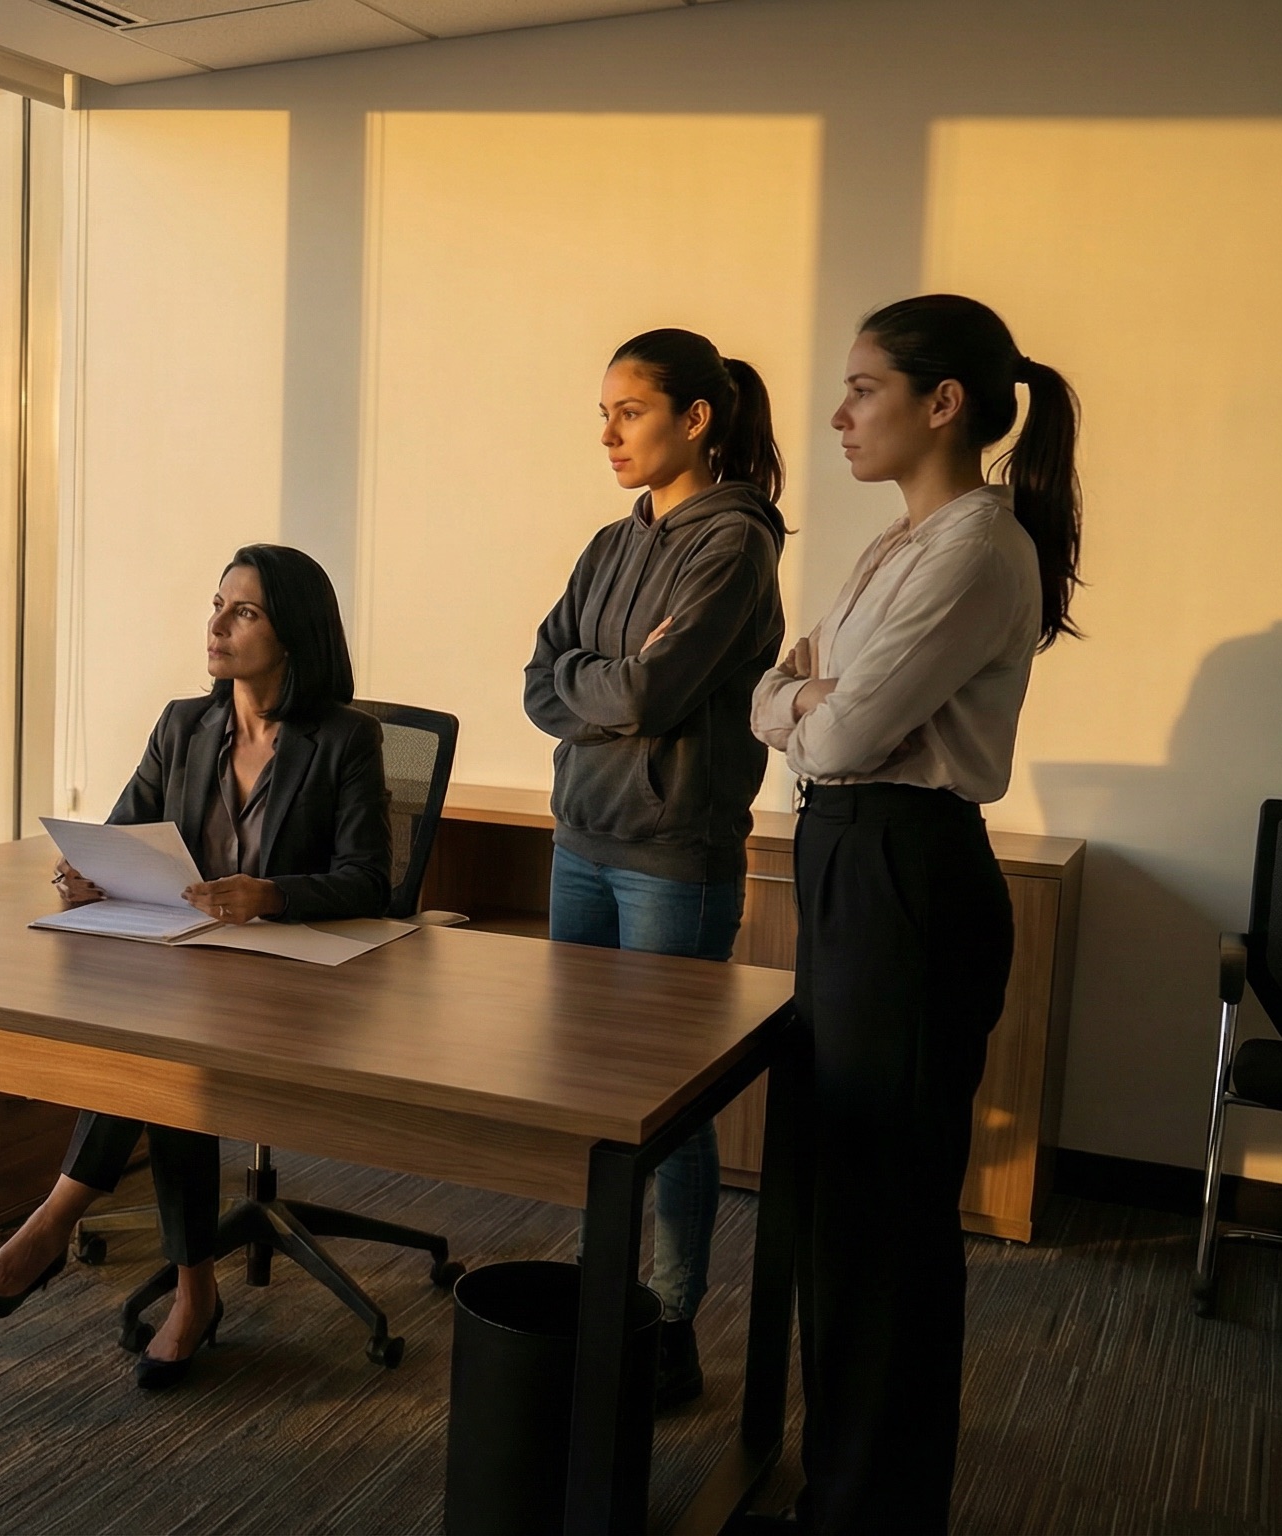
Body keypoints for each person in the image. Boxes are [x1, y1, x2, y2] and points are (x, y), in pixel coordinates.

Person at [751, 294, 1081, 1532]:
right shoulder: (901, 541)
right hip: (853, 856)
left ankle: (871, 1508)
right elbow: (790, 687)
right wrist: (797, 696)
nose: (837, 414)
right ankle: (839, 1487)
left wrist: (795, 698)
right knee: (849, 1203)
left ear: (942, 404)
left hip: (906, 871)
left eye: (862, 387)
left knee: (884, 1220)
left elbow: (828, 722)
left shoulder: (972, 549)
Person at [0, 544, 391, 1390]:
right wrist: (87, 875)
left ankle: (57, 1222)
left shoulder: (344, 740)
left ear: (292, 632)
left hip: (295, 979)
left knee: (166, 1055)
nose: (216, 626)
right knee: (168, 1055)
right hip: (189, 967)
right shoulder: (186, 723)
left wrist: (270, 895)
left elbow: (370, 879)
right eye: (216, 605)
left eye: (244, 612)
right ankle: (192, 1293)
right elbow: (123, 833)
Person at [521, 328, 787, 1410]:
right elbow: (542, 679)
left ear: (695, 418)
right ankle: (606, 1294)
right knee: (589, 1088)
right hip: (579, 844)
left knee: (665, 1104)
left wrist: (610, 684)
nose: (608, 433)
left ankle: (669, 1320)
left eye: (628, 410)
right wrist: (609, 678)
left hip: (672, 858)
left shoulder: (735, 546)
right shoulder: (606, 543)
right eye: (604, 412)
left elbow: (650, 698)